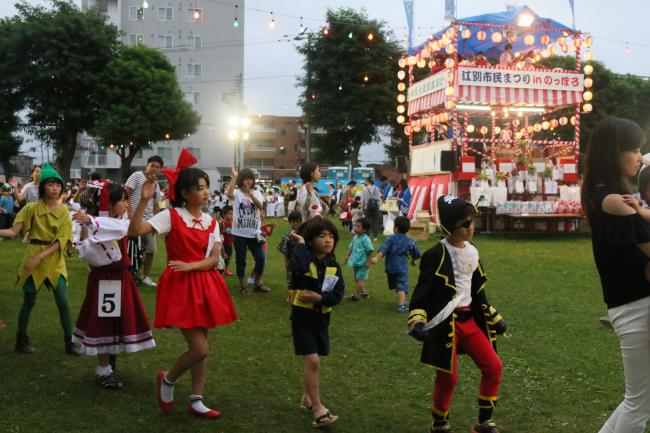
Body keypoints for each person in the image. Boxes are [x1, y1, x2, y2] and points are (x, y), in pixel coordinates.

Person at [128, 163, 237, 418]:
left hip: (205, 284)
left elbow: (213, 259)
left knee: (203, 346)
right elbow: (134, 231)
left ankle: (196, 399)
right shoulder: (170, 215)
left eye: (206, 187)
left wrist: (190, 266)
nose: (206, 192)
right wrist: (144, 201)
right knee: (200, 349)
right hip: (180, 287)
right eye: (200, 188)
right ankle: (167, 379)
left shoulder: (212, 221)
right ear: (185, 193)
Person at [407, 195, 507, 433]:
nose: (470, 228)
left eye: (472, 222)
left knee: (494, 366)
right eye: (465, 224)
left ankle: (484, 422)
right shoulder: (435, 254)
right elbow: (422, 293)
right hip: (445, 324)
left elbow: (476, 290)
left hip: (470, 321)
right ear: (450, 226)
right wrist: (418, 320)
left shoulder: (472, 252)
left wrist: (494, 317)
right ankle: (439, 424)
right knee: (448, 377)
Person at [580, 116, 650, 433]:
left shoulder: (604, 194)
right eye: (634, 150)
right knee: (639, 405)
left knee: (638, 401)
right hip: (638, 307)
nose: (638, 157)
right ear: (615, 152)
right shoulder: (613, 201)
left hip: (630, 306)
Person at [72, 182, 155, 389]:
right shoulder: (94, 224)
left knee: (116, 319)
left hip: (119, 278)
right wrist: (88, 223)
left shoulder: (113, 222)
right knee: (104, 322)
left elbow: (123, 228)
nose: (127, 204)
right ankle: (104, 369)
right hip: (105, 281)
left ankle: (109, 359)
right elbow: (87, 247)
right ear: (109, 204)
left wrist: (91, 220)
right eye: (123, 200)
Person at [0, 163, 79, 356]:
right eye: (51, 184)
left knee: (63, 302)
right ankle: (21, 339)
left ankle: (70, 342)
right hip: (33, 257)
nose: (55, 188)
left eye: (58, 185)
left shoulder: (63, 212)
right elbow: (12, 231)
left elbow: (61, 241)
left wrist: (40, 257)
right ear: (43, 186)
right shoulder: (31, 209)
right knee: (28, 301)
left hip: (53, 261)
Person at [289, 218, 344, 428]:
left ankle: (306, 397)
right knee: (313, 362)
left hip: (322, 319)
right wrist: (301, 244)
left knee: (313, 361)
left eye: (331, 236)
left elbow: (338, 294)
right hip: (302, 319)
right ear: (311, 241)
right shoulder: (304, 260)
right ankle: (319, 409)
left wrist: (320, 298)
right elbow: (299, 266)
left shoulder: (334, 266)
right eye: (322, 236)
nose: (328, 241)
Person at [226, 167, 270, 294]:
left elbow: (260, 206)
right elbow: (229, 194)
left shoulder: (256, 192)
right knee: (241, 260)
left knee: (261, 258)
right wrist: (234, 176)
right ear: (241, 180)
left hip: (254, 233)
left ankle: (257, 283)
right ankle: (243, 286)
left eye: (250, 179)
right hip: (239, 234)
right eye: (245, 179)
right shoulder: (236, 193)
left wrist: (250, 194)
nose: (248, 182)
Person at [125, 155, 164, 287]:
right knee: (134, 247)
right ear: (146, 165)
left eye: (157, 167)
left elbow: (156, 204)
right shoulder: (137, 176)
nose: (154, 168)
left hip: (149, 220)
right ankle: (132, 274)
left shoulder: (156, 184)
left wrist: (158, 222)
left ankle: (144, 275)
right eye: (152, 165)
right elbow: (126, 193)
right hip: (135, 218)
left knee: (151, 250)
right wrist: (129, 211)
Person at [370, 216, 421, 312]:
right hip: (402, 267)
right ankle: (401, 306)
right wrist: (414, 260)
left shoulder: (390, 239)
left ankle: (403, 301)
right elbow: (416, 253)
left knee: (398, 285)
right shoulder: (410, 241)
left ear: (396, 228)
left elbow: (383, 250)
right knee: (402, 285)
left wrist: (376, 258)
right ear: (408, 229)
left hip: (390, 267)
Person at [344, 217, 374, 301]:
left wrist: (368, 262)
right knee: (357, 278)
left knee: (359, 279)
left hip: (363, 263)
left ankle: (357, 296)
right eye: (355, 226)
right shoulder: (355, 237)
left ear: (364, 230)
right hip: (355, 262)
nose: (355, 228)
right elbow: (352, 247)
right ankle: (363, 292)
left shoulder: (366, 239)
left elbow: (370, 251)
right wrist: (347, 255)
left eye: (358, 226)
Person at [277, 210, 303, 303]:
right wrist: (286, 261)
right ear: (289, 223)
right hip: (291, 262)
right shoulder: (287, 237)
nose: (295, 223)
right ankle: (290, 296)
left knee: (302, 279)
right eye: (293, 221)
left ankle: (300, 295)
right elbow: (285, 251)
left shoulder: (305, 235)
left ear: (301, 221)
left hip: (303, 262)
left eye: (298, 221)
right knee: (290, 279)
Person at [221, 205, 234, 276]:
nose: (231, 216)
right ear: (224, 214)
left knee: (228, 257)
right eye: (229, 214)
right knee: (223, 257)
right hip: (223, 244)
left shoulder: (232, 223)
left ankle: (226, 269)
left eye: (232, 214)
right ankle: (221, 269)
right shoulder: (222, 223)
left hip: (229, 244)